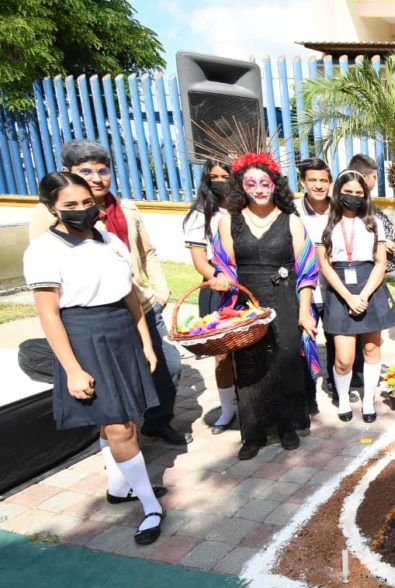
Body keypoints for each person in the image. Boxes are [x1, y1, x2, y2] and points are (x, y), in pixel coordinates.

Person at [24, 172, 166, 544]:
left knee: (125, 417)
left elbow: (131, 294)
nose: (82, 211)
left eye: (87, 203)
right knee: (120, 425)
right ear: (50, 207)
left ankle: (120, 488)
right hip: (84, 334)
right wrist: (72, 369)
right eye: (70, 205)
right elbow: (50, 314)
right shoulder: (43, 250)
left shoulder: (109, 239)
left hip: (120, 329)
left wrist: (146, 342)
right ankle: (150, 505)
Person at [28, 140, 189, 446]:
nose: (97, 177)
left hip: (139, 304)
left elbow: (147, 251)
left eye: (103, 170)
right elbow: (50, 276)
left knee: (168, 365)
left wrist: (160, 290)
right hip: (92, 316)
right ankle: (119, 440)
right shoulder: (48, 216)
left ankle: (155, 423)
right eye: (86, 171)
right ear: (69, 173)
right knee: (111, 393)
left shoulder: (124, 208)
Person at [210, 153, 317, 460]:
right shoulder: (228, 221)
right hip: (246, 305)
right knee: (249, 367)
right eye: (250, 183)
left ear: (275, 185)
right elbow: (225, 265)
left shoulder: (291, 220)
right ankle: (253, 434)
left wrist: (303, 313)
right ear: (240, 186)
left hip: (283, 299)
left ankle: (286, 427)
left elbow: (307, 270)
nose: (258, 189)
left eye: (264, 182)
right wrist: (220, 279)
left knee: (284, 363)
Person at [316, 170, 395, 422]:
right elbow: (325, 265)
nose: (353, 197)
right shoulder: (326, 223)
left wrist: (362, 295)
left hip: (370, 287)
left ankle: (368, 402)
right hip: (339, 290)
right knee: (344, 359)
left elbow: (380, 263)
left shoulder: (373, 222)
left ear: (365, 195)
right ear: (338, 193)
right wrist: (348, 297)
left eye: (358, 193)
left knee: (372, 349)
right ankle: (343, 399)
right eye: (347, 192)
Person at [183, 159, 236, 434]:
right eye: (213, 176)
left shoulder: (245, 208)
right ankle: (227, 410)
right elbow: (200, 261)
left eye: (224, 175)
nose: (219, 181)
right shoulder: (200, 215)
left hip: (248, 286)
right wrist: (218, 277)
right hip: (219, 288)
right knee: (223, 354)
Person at [347, 154, 395, 360]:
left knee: (370, 342)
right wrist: (381, 243)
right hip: (352, 277)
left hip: (373, 277)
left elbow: (381, 225)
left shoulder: (370, 204)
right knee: (346, 341)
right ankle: (347, 378)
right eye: (374, 176)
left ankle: (361, 375)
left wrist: (391, 240)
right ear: (366, 176)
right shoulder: (343, 208)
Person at [293, 157, 333, 413]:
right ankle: (308, 396)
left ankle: (336, 385)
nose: (319, 185)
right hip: (303, 291)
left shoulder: (340, 209)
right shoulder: (292, 212)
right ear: (303, 182)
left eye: (323, 180)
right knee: (305, 341)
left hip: (334, 289)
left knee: (337, 339)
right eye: (313, 180)